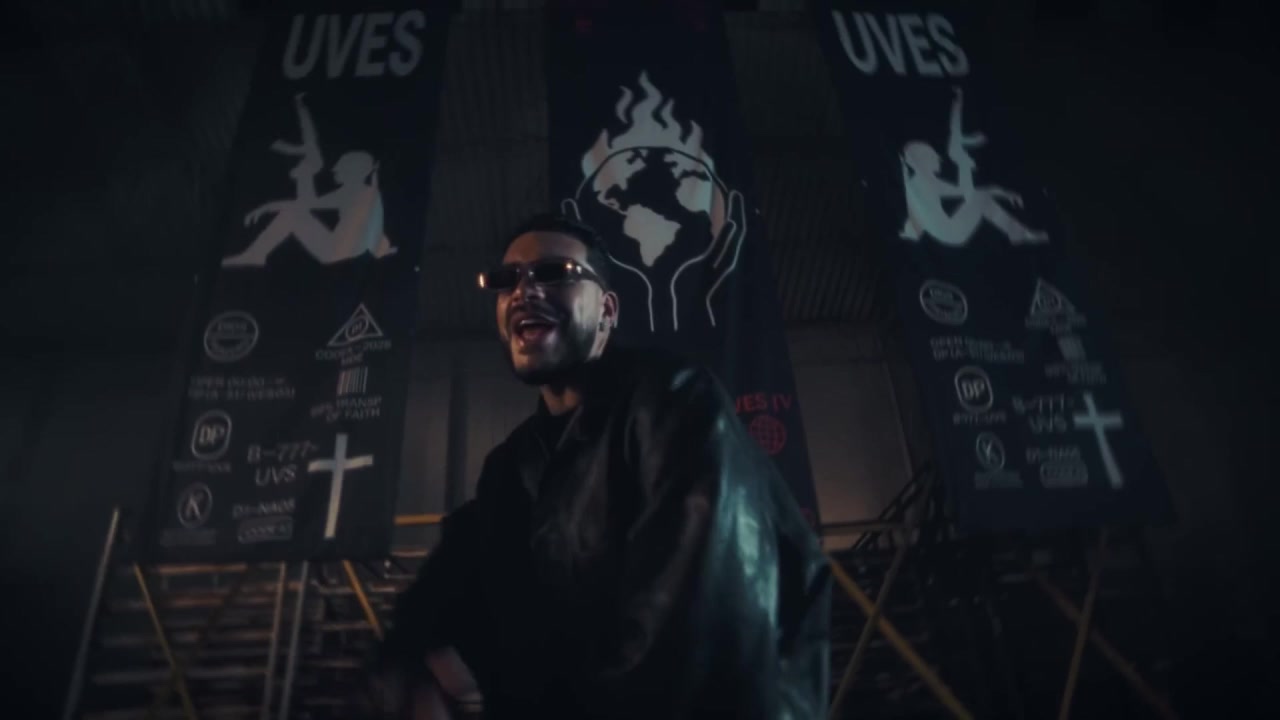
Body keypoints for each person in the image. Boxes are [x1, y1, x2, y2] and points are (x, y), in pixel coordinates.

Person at [372, 213, 831, 719]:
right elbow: (458, 581)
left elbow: (696, 634)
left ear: (607, 310)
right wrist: (407, 660)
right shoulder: (509, 468)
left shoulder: (674, 401)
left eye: (554, 272)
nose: (524, 290)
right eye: (507, 280)